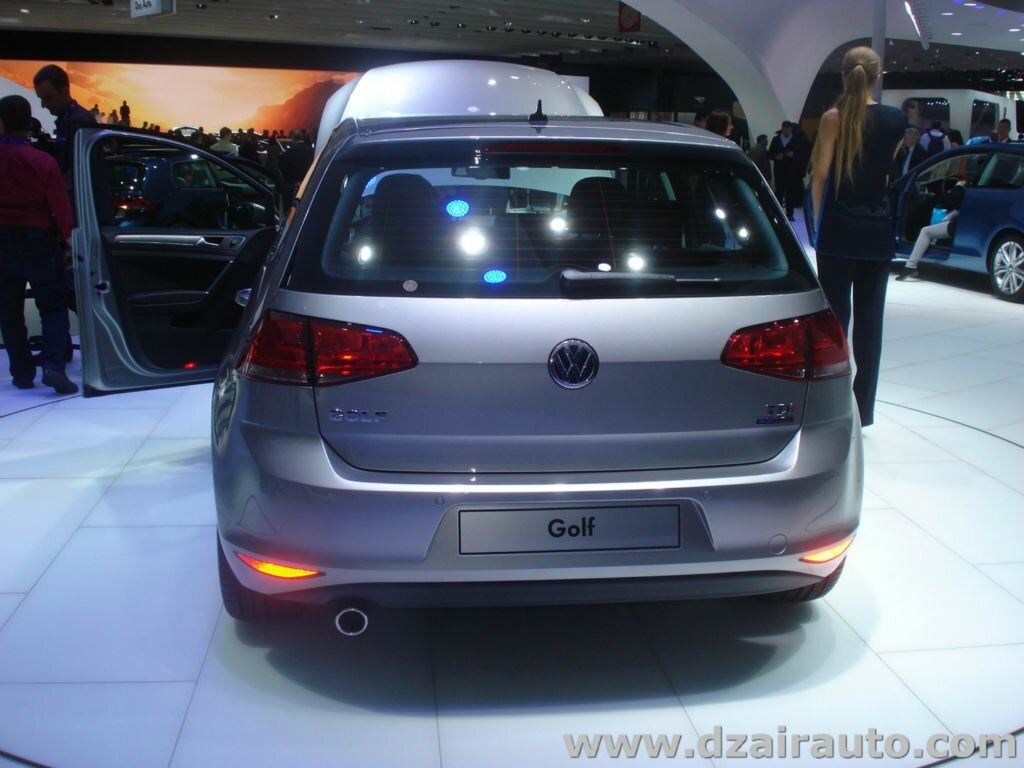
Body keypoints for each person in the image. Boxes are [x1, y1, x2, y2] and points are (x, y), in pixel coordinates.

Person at [809, 46, 906, 428]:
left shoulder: (833, 118)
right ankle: (863, 410)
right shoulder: (895, 120)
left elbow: (820, 176)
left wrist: (818, 224)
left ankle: (832, 404)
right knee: (870, 322)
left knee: (835, 322)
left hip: (839, 231)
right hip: (877, 232)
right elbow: (885, 171)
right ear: (878, 77)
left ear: (843, 75)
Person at [0, 95, 77, 394]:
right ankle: (53, 367)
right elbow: (60, 206)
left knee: (9, 310)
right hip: (38, 241)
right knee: (53, 306)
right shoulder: (42, 161)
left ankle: (21, 372)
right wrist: (68, 241)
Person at [32, 64, 95, 181]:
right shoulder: (69, 118)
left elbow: (78, 172)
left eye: (48, 98)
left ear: (64, 91)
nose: (43, 105)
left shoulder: (79, 121)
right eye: (41, 99)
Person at [897, 180, 968, 281]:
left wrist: (958, 187)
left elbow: (953, 200)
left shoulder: (964, 190)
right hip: (965, 221)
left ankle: (910, 266)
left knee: (925, 231)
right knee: (944, 221)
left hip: (960, 225)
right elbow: (961, 207)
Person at [769, 120, 809, 221]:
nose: (786, 131)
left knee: (790, 192)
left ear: (791, 129)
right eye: (785, 130)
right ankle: (778, 213)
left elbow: (801, 154)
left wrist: (793, 155)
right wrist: (776, 156)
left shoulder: (796, 140)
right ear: (782, 129)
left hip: (792, 171)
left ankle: (790, 214)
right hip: (779, 171)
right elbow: (769, 153)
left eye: (788, 130)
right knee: (779, 192)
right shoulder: (776, 139)